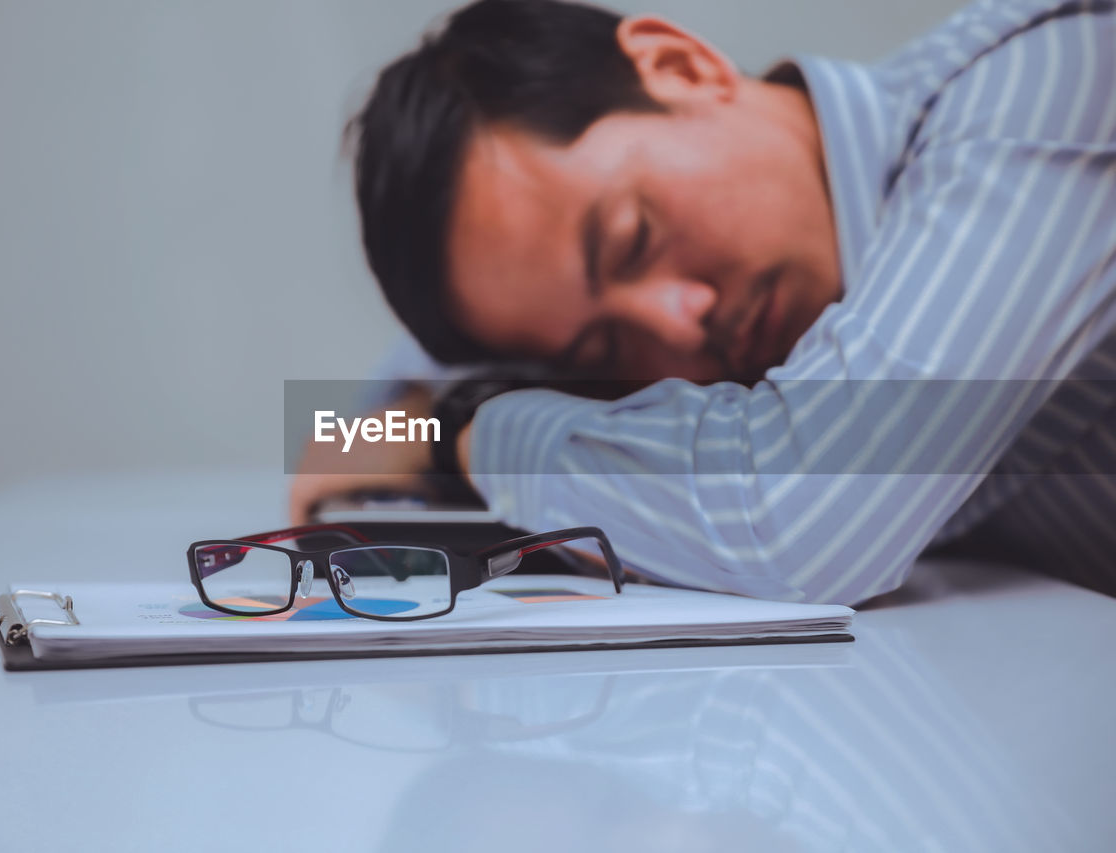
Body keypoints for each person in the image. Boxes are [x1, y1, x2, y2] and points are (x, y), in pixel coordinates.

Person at [292, 0, 1116, 604]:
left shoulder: (1044, 95)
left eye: (633, 239)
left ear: (679, 64)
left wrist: (464, 437)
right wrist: (416, 421)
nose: (676, 320)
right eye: (603, 351)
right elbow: (347, 424)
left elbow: (801, 520)